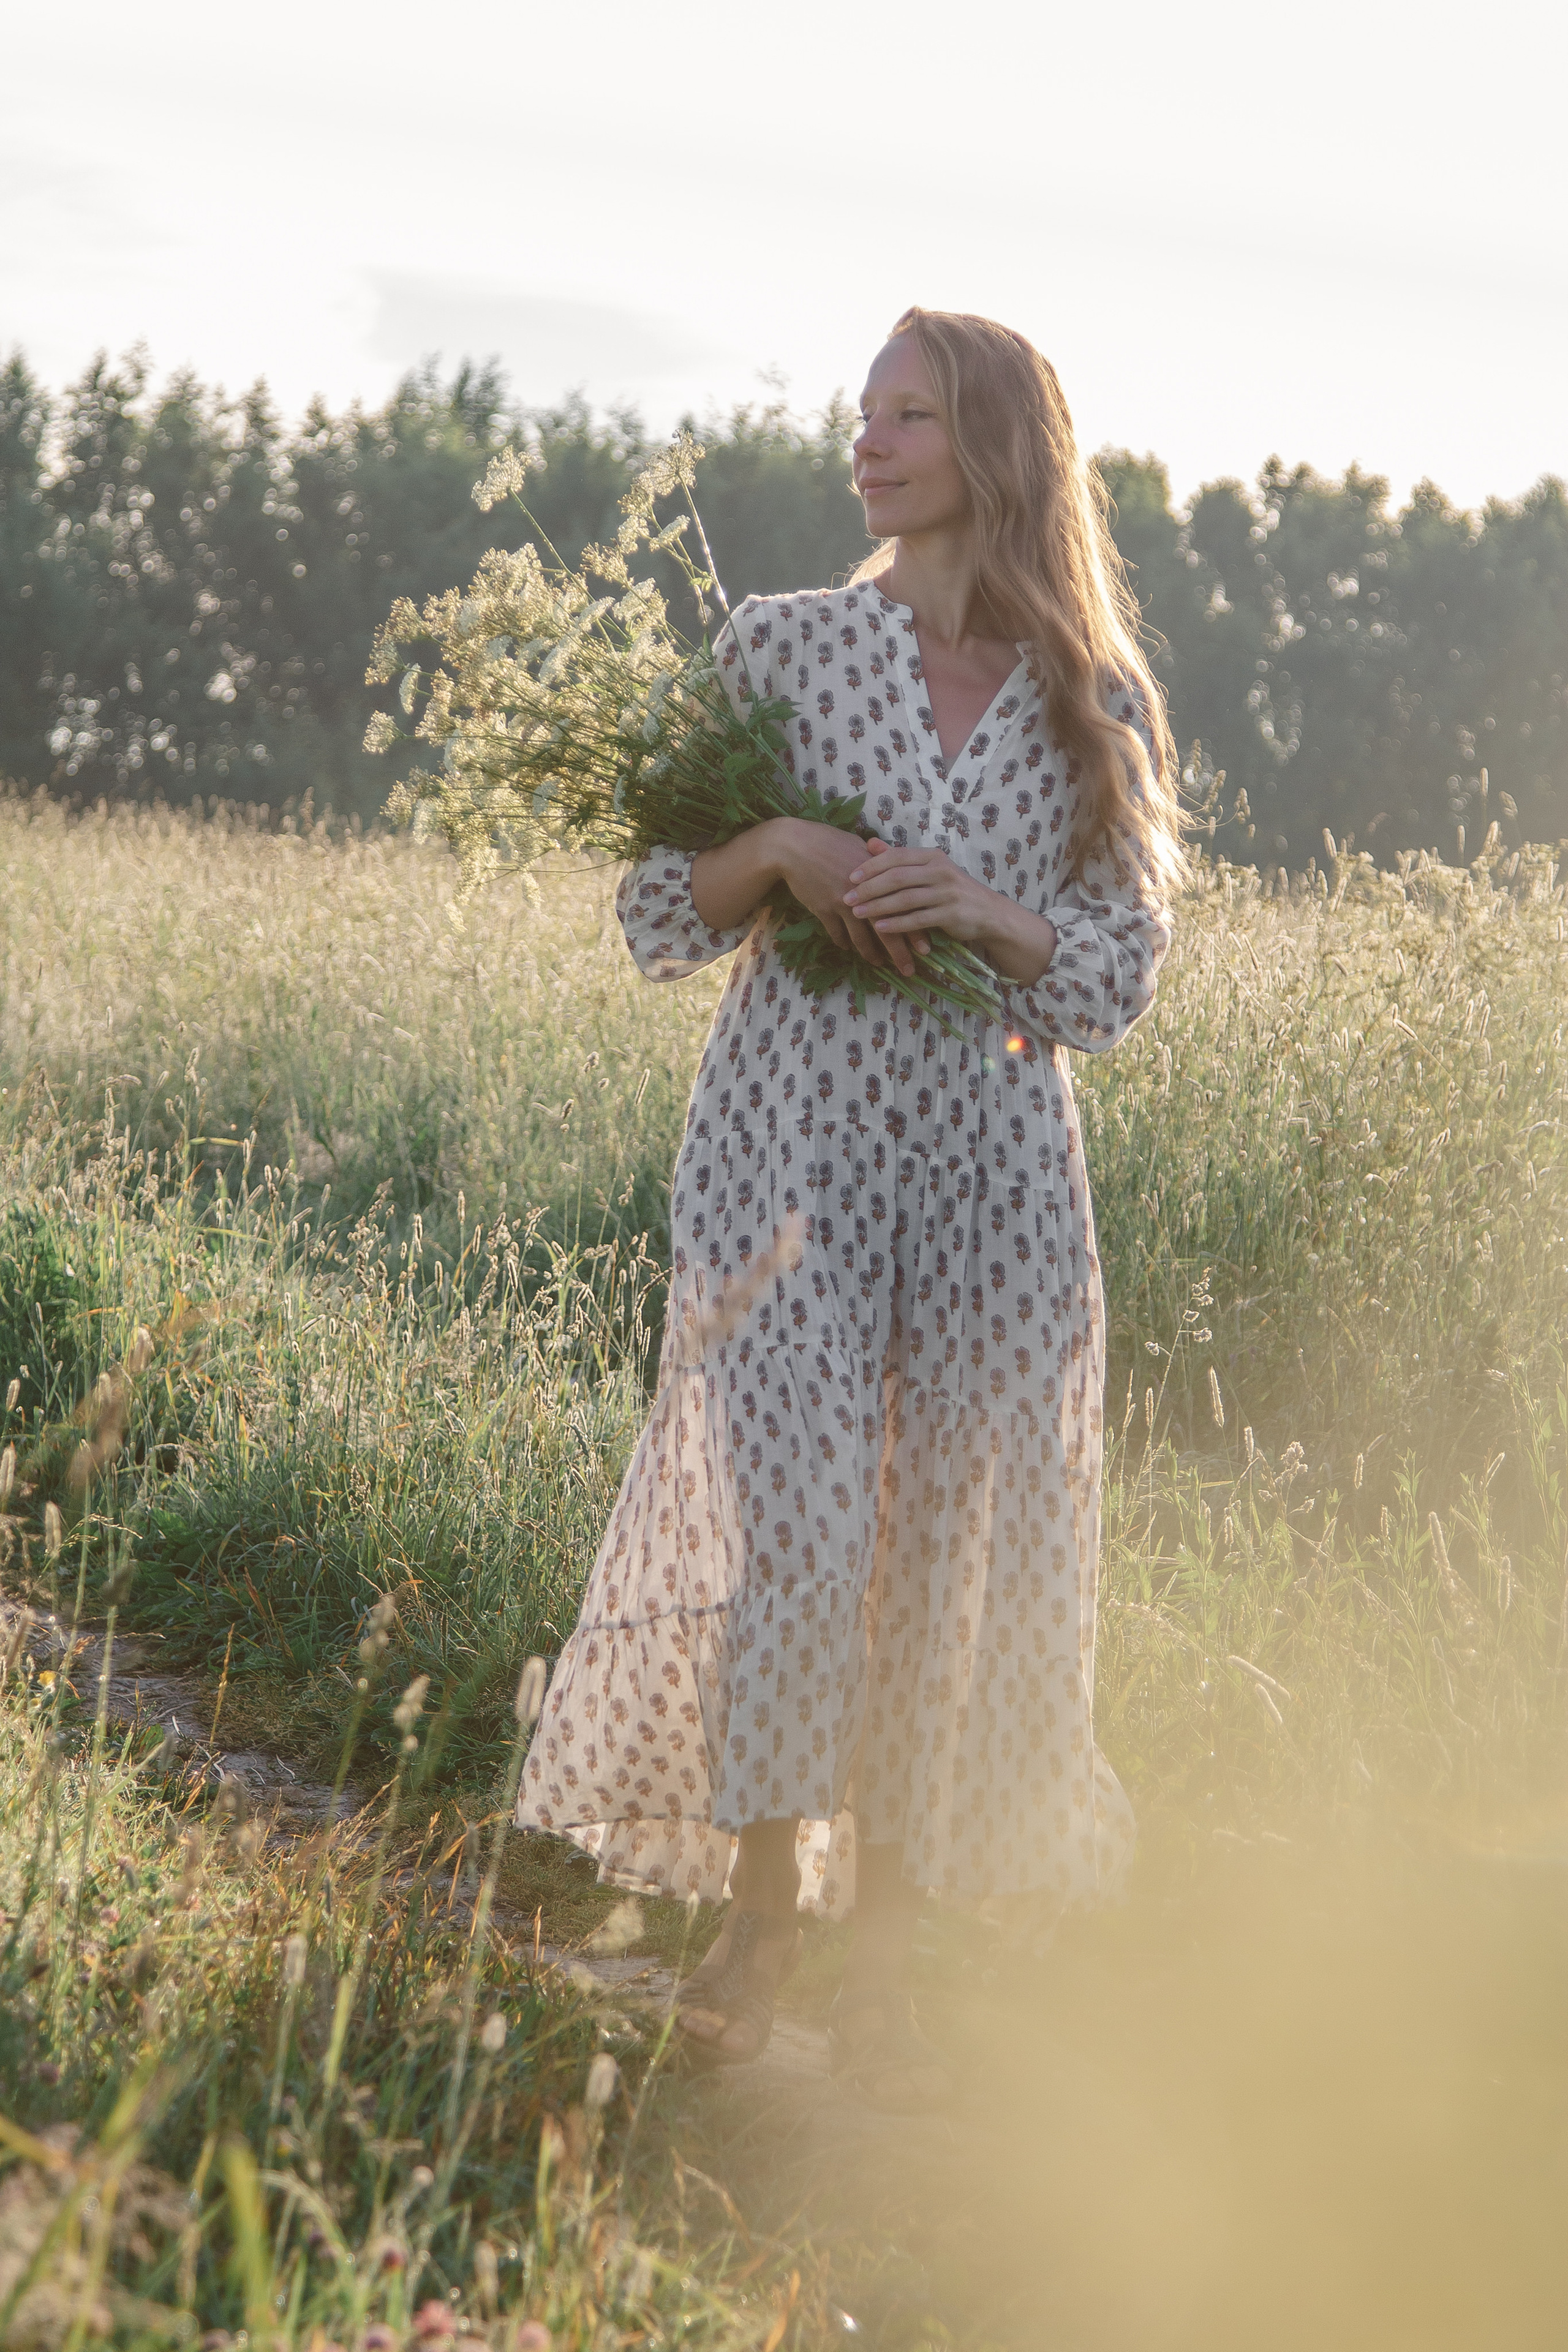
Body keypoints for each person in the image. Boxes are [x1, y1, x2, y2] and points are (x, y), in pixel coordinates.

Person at [515, 306, 1183, 2109]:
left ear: (996, 448)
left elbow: (1117, 970)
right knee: (800, 1544)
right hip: (788, 1160)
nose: (868, 442)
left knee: (937, 1568)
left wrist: (974, 908)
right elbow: (659, 905)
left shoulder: (1092, 698)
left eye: (910, 415)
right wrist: (788, 854)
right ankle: (758, 1928)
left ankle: (883, 1969)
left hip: (996, 1189)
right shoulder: (784, 644)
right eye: (863, 412)